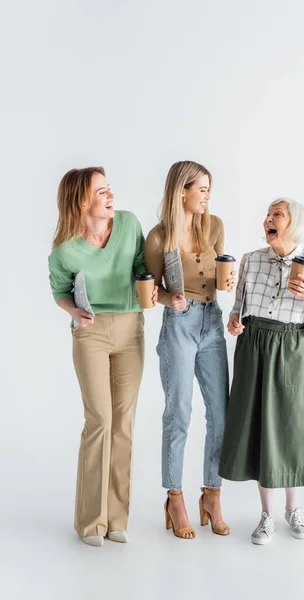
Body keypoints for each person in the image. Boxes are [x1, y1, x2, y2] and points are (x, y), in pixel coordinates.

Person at [48, 167, 157, 547]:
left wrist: (151, 287)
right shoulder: (64, 249)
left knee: (123, 422)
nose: (111, 196)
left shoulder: (128, 224)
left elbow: (142, 267)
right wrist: (73, 312)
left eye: (109, 188)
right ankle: (90, 522)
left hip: (131, 327)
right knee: (100, 420)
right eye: (102, 192)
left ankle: (117, 519)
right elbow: (60, 290)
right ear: (81, 201)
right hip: (90, 332)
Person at [219, 197, 304, 544]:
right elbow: (238, 310)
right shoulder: (250, 260)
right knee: (259, 427)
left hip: (292, 348)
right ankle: (266, 515)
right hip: (254, 346)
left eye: (276, 215)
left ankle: (292, 509)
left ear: (293, 223)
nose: (268, 219)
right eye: (267, 214)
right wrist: (235, 323)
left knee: (290, 427)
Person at [145, 161, 235, 539]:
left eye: (209, 190)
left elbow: (220, 275)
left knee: (221, 413)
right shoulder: (157, 237)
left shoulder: (213, 226)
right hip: (178, 327)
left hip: (212, 322)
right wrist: (171, 298)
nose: (207, 196)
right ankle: (175, 497)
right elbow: (149, 292)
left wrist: (228, 282)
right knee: (178, 412)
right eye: (202, 189)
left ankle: (211, 495)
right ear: (181, 190)